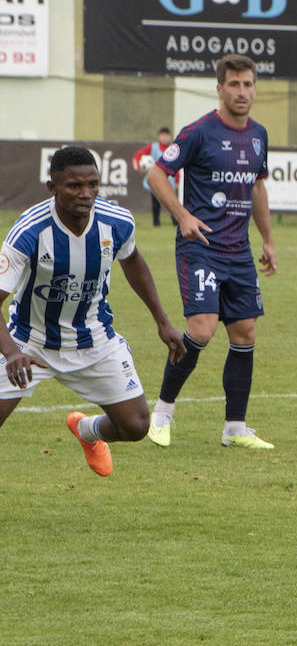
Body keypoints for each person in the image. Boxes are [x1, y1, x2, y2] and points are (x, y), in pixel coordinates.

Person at [0, 146, 185, 477]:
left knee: (136, 426)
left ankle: (87, 431)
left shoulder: (116, 222)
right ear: (52, 187)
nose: (86, 194)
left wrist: (163, 322)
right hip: (29, 343)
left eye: (93, 185)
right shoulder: (29, 231)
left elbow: (133, 262)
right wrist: (12, 353)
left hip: (94, 339)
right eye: (74, 186)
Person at [145, 53, 277, 450]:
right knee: (201, 328)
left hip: (238, 252)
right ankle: (162, 413)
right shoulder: (198, 132)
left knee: (245, 332)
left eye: (248, 84)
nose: (242, 92)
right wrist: (183, 215)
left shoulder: (259, 135)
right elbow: (155, 174)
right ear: (219, 88)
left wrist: (268, 240)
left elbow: (256, 186)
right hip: (200, 248)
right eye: (234, 84)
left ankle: (235, 427)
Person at [131, 127, 174, 227]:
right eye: (162, 135)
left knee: (171, 201)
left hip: (169, 181)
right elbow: (138, 155)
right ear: (159, 136)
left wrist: (177, 179)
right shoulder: (153, 147)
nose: (164, 138)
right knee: (156, 201)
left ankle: (175, 221)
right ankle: (156, 222)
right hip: (155, 180)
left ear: (170, 137)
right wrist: (138, 167)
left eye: (166, 136)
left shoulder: (173, 148)